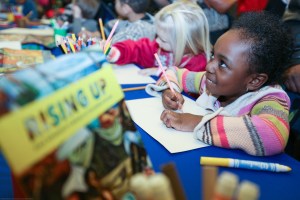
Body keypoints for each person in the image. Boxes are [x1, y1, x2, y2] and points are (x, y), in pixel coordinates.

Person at [146, 12, 292, 156]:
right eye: (212, 56)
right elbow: (175, 73)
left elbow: (272, 135)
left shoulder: (269, 99)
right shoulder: (210, 82)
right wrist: (169, 89)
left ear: (254, 81)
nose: (209, 67)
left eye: (223, 64)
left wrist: (197, 122)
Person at [105, 0, 211, 74]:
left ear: (183, 43)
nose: (157, 41)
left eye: (163, 40)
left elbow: (191, 88)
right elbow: (138, 49)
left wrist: (161, 72)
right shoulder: (158, 47)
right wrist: (116, 52)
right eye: (157, 36)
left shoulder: (200, 65)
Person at [80, 0, 156, 44]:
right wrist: (92, 35)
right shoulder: (150, 19)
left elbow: (112, 50)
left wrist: (95, 41)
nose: (114, 4)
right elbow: (106, 31)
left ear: (125, 8)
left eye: (116, 2)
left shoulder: (135, 32)